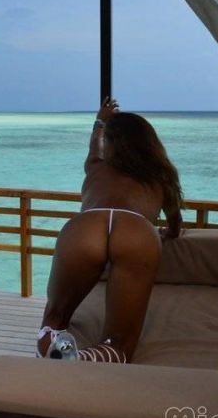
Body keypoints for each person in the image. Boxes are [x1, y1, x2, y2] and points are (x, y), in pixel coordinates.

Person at [37, 98, 183, 363]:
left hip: (86, 226)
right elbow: (175, 223)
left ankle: (54, 358)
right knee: (119, 344)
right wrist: (169, 234)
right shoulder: (161, 176)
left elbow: (94, 147)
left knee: (54, 318)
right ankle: (85, 361)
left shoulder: (96, 166)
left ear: (111, 143)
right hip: (136, 230)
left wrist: (100, 121)